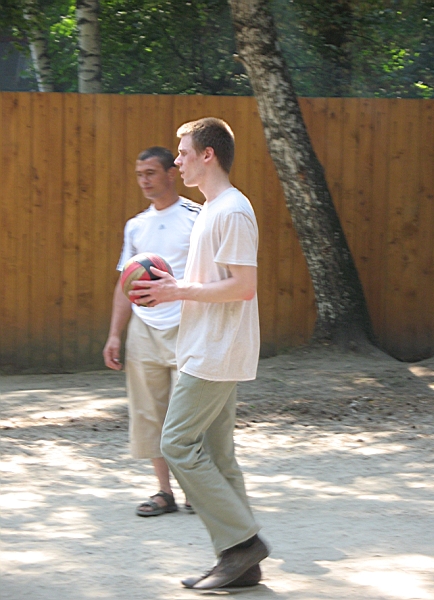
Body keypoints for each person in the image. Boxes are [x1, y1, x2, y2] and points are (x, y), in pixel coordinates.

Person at [129, 118, 270, 590]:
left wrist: (177, 291)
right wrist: (174, 291)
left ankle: (242, 543)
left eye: (184, 152)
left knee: (176, 444)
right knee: (218, 455)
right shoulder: (212, 209)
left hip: (216, 350)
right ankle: (241, 562)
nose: (177, 160)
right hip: (205, 346)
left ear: (208, 155)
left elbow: (244, 287)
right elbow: (215, 282)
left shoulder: (232, 211)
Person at [103, 146, 201, 517]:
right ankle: (164, 492)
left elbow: (215, 274)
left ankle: (197, 490)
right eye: (139, 174)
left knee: (187, 413)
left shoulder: (197, 218)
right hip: (144, 328)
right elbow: (124, 284)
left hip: (186, 325)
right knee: (149, 412)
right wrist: (115, 334)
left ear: (171, 173)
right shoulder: (136, 225)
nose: (144, 181)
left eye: (151, 173)